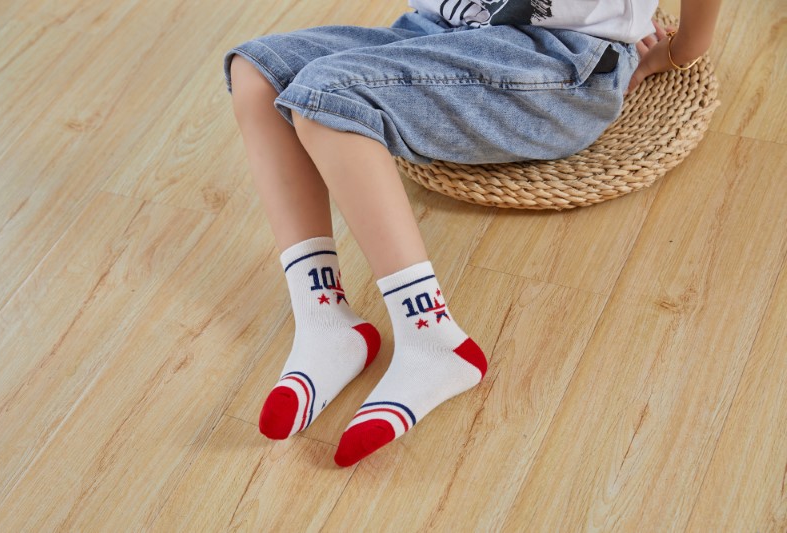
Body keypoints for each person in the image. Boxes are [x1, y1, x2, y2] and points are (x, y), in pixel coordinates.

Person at [223, 0, 721, 468]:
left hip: (559, 59)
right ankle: (324, 317)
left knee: (327, 99)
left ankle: (429, 334)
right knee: (258, 74)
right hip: (440, 31)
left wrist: (682, 49)